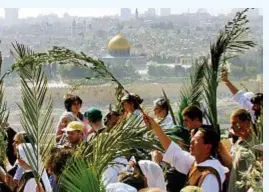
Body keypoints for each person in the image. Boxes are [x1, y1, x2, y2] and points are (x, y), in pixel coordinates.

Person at [143, 114, 227, 192]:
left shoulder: (210, 175)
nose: (191, 142)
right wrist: (154, 126)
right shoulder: (197, 163)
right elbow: (174, 151)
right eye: (192, 139)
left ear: (208, 147)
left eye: (196, 140)